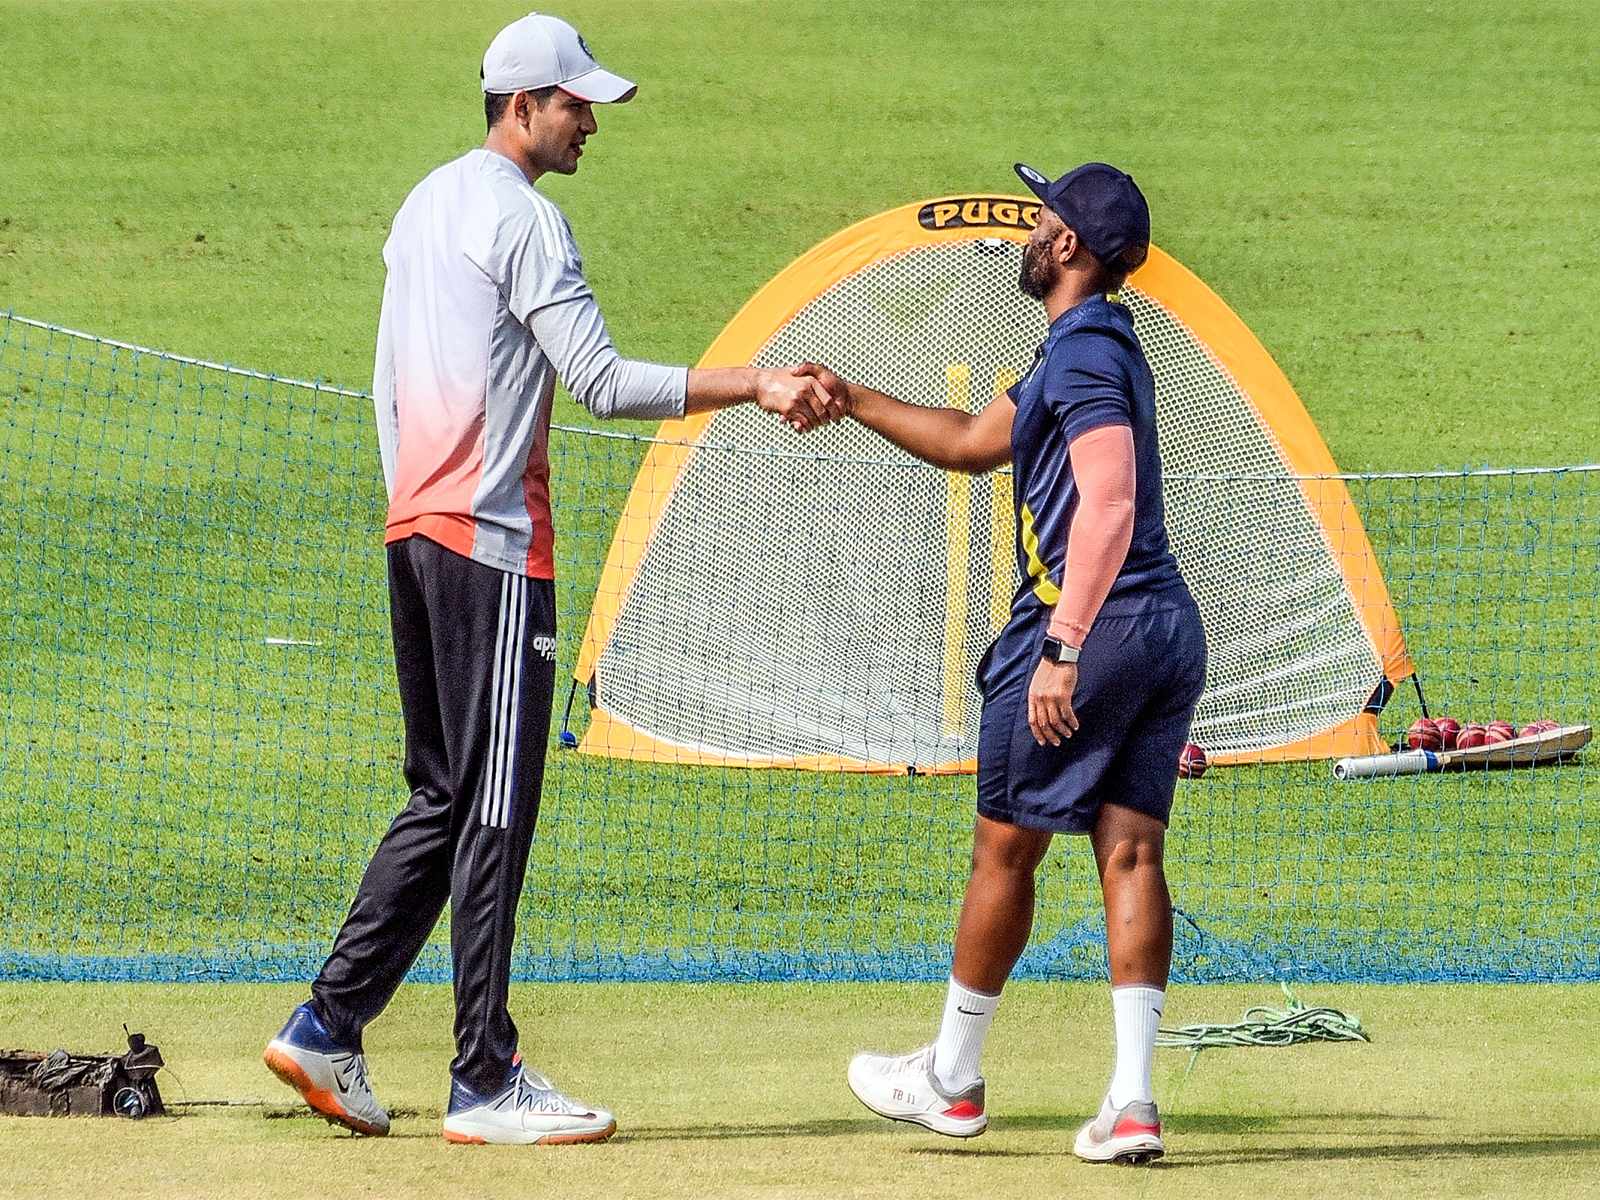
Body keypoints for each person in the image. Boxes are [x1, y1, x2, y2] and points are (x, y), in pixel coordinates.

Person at [262, 12, 841, 1146]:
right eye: (577, 105)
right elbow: (601, 383)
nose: (591, 123)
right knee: (493, 806)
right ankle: (484, 1079)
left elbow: (386, 381)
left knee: (443, 795)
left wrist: (411, 505)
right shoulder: (526, 219)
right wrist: (757, 382)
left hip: (415, 532)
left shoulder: (425, 203)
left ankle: (328, 1025)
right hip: (490, 548)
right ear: (522, 106)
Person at [806, 162, 1206, 1164]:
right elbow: (969, 442)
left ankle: (949, 1078)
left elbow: (1110, 501)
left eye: (1041, 217)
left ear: (1067, 245)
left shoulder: (1082, 356)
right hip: (1163, 627)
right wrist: (852, 398)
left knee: (1004, 850)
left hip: (1093, 628)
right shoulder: (1091, 347)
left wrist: (1062, 647)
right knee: (1130, 853)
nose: (1027, 231)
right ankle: (1131, 1103)